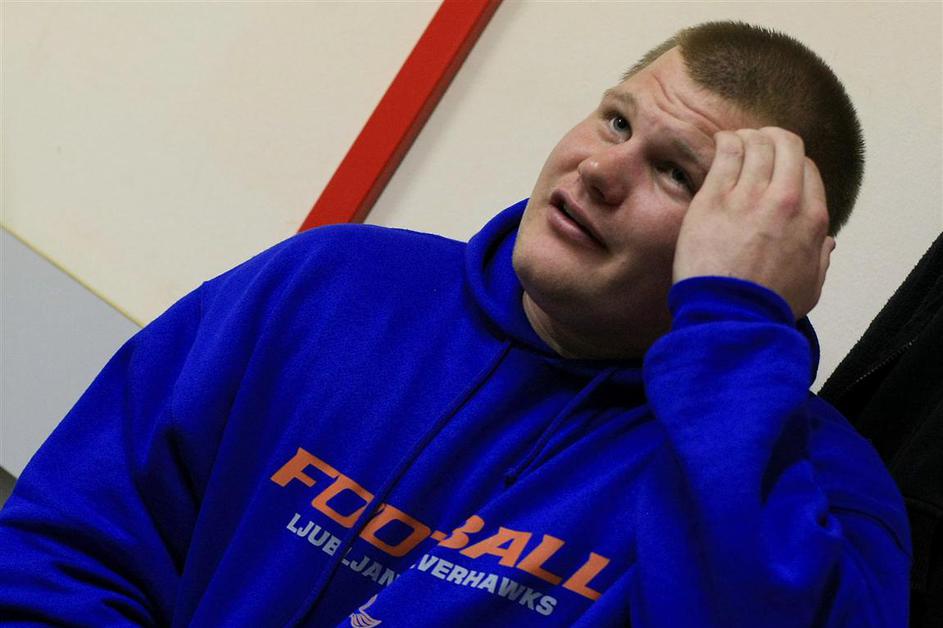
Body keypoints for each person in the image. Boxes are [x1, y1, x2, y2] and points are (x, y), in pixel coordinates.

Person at [0, 20, 911, 627]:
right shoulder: (330, 286)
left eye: (675, 172)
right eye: (613, 120)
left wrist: (734, 331)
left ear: (759, 244)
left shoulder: (821, 495)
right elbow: (69, 551)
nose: (599, 171)